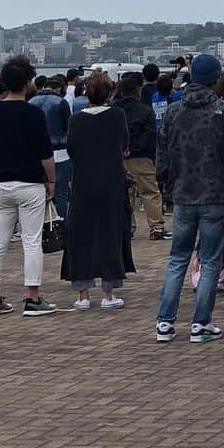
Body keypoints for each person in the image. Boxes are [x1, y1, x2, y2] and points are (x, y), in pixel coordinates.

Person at [154, 54, 224, 344]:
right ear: (216, 79)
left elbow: (162, 155)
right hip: (216, 194)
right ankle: (200, 323)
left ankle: (165, 322)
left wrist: (166, 189)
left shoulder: (174, 112)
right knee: (210, 260)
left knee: (177, 258)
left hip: (182, 194)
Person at [0, 56, 57, 317]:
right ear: (27, 82)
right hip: (30, 183)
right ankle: (32, 298)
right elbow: (45, 154)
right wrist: (52, 181)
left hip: (2, 183)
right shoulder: (33, 113)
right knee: (31, 241)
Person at [62, 73, 136, 309]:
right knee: (111, 231)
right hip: (112, 182)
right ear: (109, 93)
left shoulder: (76, 119)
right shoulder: (117, 115)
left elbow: (72, 149)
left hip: (83, 182)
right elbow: (125, 146)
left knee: (80, 234)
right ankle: (108, 293)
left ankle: (82, 294)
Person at [114, 72, 169, 240]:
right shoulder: (145, 111)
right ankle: (156, 227)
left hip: (119, 158)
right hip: (142, 157)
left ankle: (126, 228)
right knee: (150, 192)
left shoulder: (114, 111)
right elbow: (151, 134)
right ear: (138, 91)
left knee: (125, 194)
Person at [29, 74, 73, 218]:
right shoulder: (61, 102)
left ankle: (40, 223)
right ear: (60, 88)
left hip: (35, 153)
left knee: (38, 191)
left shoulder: (31, 102)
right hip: (60, 153)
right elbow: (69, 128)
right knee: (61, 192)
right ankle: (60, 224)